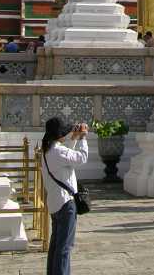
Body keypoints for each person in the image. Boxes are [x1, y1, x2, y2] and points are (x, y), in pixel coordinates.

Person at [41, 116, 89, 275]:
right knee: (64, 249)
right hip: (66, 204)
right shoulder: (58, 151)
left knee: (55, 247)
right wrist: (82, 138)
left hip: (55, 203)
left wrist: (73, 139)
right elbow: (81, 158)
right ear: (58, 134)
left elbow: (66, 158)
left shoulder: (47, 151)